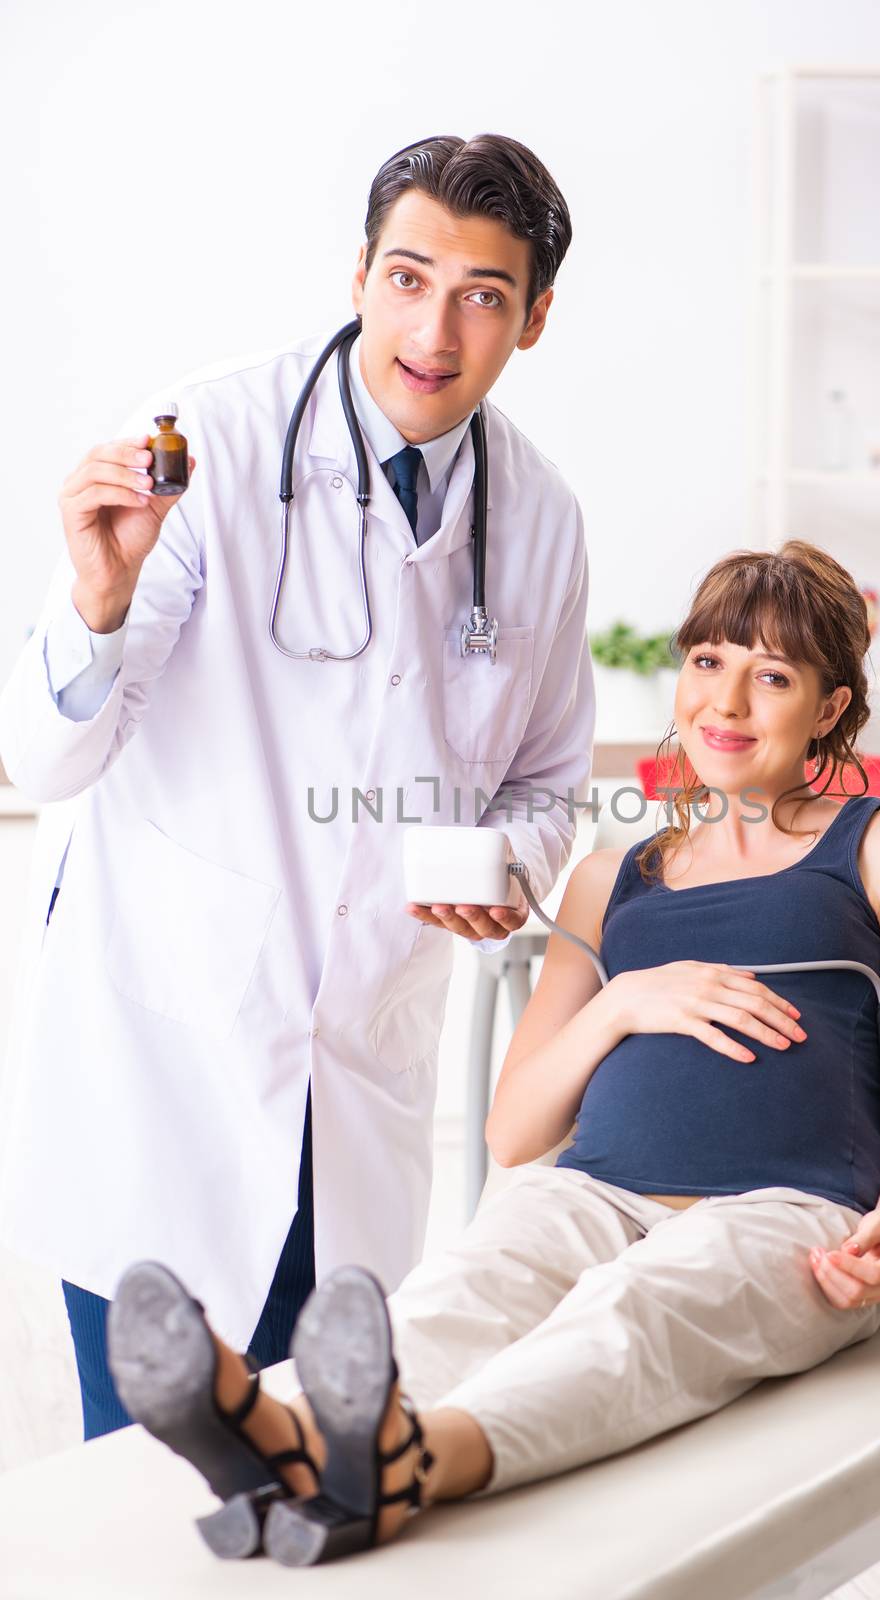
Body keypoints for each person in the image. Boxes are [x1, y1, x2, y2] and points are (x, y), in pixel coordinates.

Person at [107, 540, 880, 1567]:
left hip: (791, 1216)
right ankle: (276, 1430)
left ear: (828, 709)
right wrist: (623, 1006)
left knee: (636, 1310)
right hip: (589, 1194)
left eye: (773, 675)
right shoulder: (614, 879)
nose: (726, 701)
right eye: (708, 661)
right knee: (463, 1290)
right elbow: (516, 1129)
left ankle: (408, 1457)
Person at [0, 133, 595, 1442]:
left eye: (484, 294)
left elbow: (551, 781)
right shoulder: (211, 440)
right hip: (165, 1060)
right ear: (360, 275)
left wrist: (508, 868)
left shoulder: (541, 520)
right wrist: (97, 599)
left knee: (322, 1474)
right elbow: (49, 760)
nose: (434, 330)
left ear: (535, 319)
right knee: (151, 1483)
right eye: (407, 276)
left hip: (362, 1077)